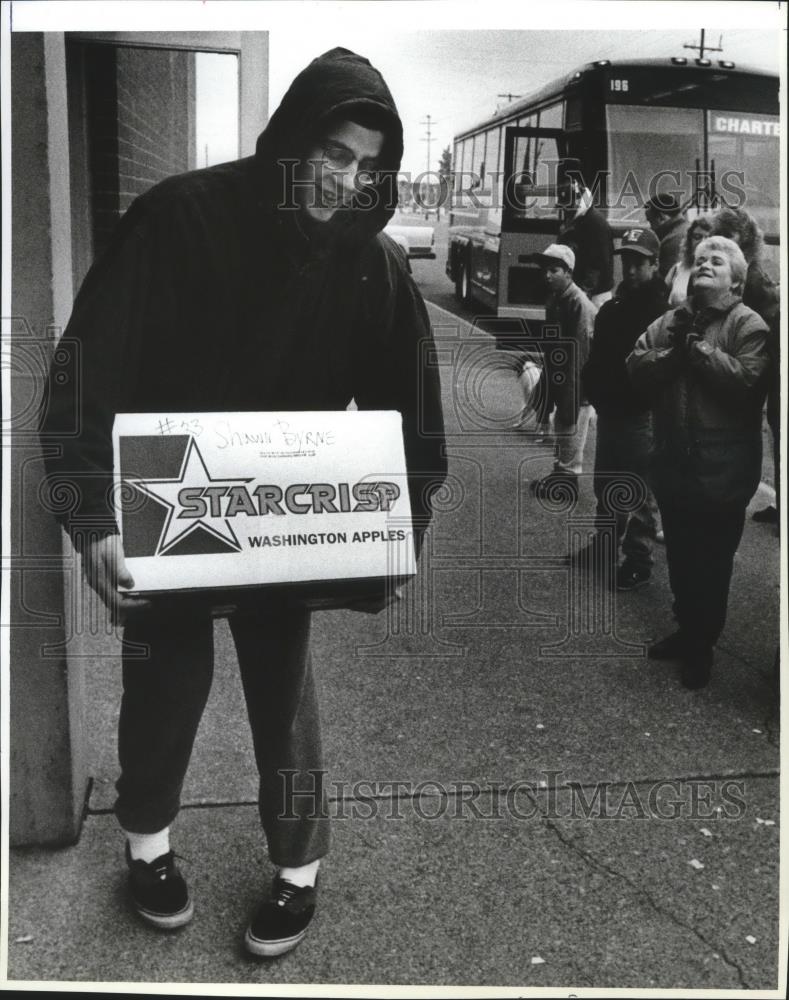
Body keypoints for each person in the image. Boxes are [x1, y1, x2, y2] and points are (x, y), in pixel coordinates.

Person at [40, 48, 446, 957]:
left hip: (281, 518)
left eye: (367, 164)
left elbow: (411, 406)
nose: (345, 179)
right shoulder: (177, 219)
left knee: (282, 690)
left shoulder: (373, 265)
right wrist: (91, 519)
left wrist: (403, 528)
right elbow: (80, 375)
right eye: (332, 152)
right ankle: (146, 848)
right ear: (292, 139)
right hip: (169, 499)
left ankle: (298, 868)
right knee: (162, 679)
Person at [626, 237, 770, 689]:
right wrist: (675, 353)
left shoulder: (750, 325)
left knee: (712, 565)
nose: (705, 264)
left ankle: (702, 646)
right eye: (700, 260)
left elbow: (746, 383)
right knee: (684, 561)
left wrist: (702, 352)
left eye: (717, 261)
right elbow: (635, 363)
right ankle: (687, 631)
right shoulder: (671, 321)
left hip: (723, 475)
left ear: (738, 281)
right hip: (674, 467)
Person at [580, 227, 668, 590]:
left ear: (655, 264)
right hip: (612, 411)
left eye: (639, 263)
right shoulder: (613, 307)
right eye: (626, 262)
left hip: (641, 415)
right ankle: (603, 546)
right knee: (606, 485)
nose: (631, 270)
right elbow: (598, 356)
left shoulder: (663, 312)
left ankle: (638, 560)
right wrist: (593, 390)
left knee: (637, 492)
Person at [711, 206, 781, 527]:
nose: (723, 242)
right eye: (720, 235)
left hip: (765, 371)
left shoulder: (753, 279)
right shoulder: (739, 274)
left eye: (730, 236)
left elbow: (771, 327)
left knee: (775, 436)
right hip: (752, 368)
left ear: (747, 239)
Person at [529, 243, 597, 499]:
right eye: (545, 270)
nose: (547, 275)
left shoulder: (577, 303)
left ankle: (568, 479)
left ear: (569, 272)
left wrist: (572, 392)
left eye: (554, 270)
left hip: (578, 379)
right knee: (562, 427)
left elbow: (580, 352)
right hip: (563, 374)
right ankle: (559, 472)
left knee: (572, 425)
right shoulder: (557, 298)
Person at [557, 159, 614, 307]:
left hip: (594, 295)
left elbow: (597, 264)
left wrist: (583, 293)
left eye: (567, 206)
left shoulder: (594, 223)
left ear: (577, 201)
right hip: (589, 291)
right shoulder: (580, 219)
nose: (564, 210)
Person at [665, 214, 714, 307]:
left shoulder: (722, 271)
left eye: (708, 237)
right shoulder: (678, 269)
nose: (702, 242)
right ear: (689, 240)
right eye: (697, 237)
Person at [644, 193, 689, 280]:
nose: (651, 228)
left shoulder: (670, 242)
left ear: (661, 218)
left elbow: (665, 282)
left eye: (651, 221)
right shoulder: (688, 229)